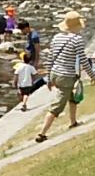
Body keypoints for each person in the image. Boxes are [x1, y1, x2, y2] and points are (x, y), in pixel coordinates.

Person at [35, 10, 90, 142]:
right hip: (67, 76)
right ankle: (42, 133)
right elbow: (83, 60)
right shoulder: (77, 40)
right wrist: (91, 75)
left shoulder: (57, 38)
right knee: (57, 106)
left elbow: (50, 58)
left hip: (55, 73)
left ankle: (73, 121)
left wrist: (49, 77)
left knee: (73, 98)